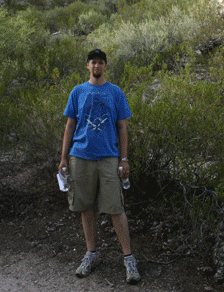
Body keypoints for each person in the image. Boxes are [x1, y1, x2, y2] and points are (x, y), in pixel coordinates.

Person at [58, 49, 141, 284]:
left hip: (108, 156)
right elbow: (70, 125)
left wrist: (124, 159)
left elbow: (122, 127)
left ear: (106, 67)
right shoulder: (78, 92)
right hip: (80, 156)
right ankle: (91, 253)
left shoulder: (115, 92)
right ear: (87, 66)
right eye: (93, 62)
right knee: (85, 206)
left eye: (101, 63)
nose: (97, 66)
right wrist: (64, 157)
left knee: (116, 208)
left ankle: (129, 259)